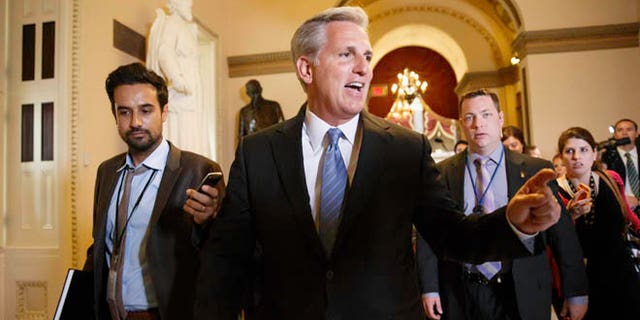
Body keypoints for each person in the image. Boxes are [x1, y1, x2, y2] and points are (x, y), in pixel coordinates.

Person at [195, 7, 561, 320]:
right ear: (306, 69)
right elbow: (227, 258)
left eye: (367, 57)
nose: (364, 69)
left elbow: (453, 236)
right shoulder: (258, 153)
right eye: (347, 55)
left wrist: (512, 223)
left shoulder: (405, 149)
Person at [415, 89, 587, 320]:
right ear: (461, 124)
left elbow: (562, 234)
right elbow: (430, 234)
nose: (478, 124)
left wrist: (576, 293)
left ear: (500, 118)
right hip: (462, 290)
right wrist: (429, 288)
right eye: (469, 117)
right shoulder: (443, 172)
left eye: (486, 114)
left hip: (521, 286)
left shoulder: (535, 170)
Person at [83, 63, 222, 320]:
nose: (135, 122)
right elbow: (99, 246)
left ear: (164, 111)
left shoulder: (198, 170)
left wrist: (208, 222)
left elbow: (223, 253)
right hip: (110, 313)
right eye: (124, 112)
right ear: (114, 114)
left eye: (145, 110)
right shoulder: (106, 171)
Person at [555, 127, 640, 319]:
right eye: (570, 151)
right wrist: (570, 216)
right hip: (582, 278)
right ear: (561, 156)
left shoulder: (611, 179)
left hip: (621, 272)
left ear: (594, 153)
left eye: (584, 150)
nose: (577, 156)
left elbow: (629, 216)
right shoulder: (554, 190)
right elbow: (551, 237)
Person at [147, 0, 208, 155]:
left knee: (193, 129)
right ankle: (186, 171)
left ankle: (194, 169)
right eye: (187, 2)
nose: (190, 5)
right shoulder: (173, 23)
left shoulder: (184, 27)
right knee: (184, 131)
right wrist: (177, 78)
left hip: (190, 91)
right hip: (182, 91)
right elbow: (164, 52)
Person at [601, 118, 640, 216]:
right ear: (615, 135)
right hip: (618, 209)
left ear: (637, 133)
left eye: (629, 129)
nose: (624, 133)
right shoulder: (606, 157)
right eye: (620, 130)